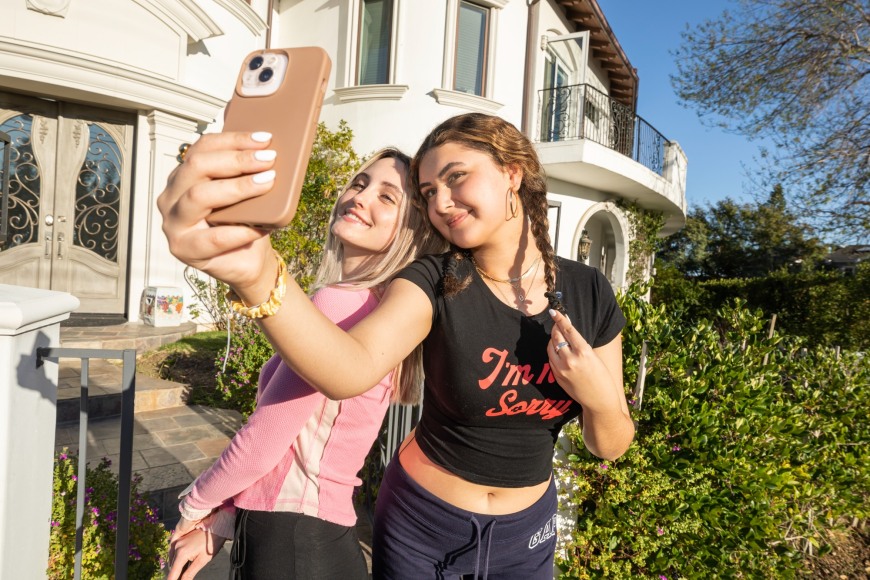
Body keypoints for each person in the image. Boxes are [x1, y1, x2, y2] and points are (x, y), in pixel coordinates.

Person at [158, 113, 635, 579]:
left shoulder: (590, 292)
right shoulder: (435, 281)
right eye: (429, 193)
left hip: (524, 536)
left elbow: (610, 444)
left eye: (456, 178)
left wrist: (597, 396)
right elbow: (348, 368)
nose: (442, 202)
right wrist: (256, 273)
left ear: (512, 173)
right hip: (421, 524)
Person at [163, 146, 445, 579]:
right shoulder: (379, 312)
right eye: (360, 182)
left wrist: (194, 506)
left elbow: (263, 440)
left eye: (387, 197)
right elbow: (292, 451)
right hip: (311, 536)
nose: (360, 197)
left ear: (411, 230)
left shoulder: (339, 303)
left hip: (291, 544)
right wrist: (220, 522)